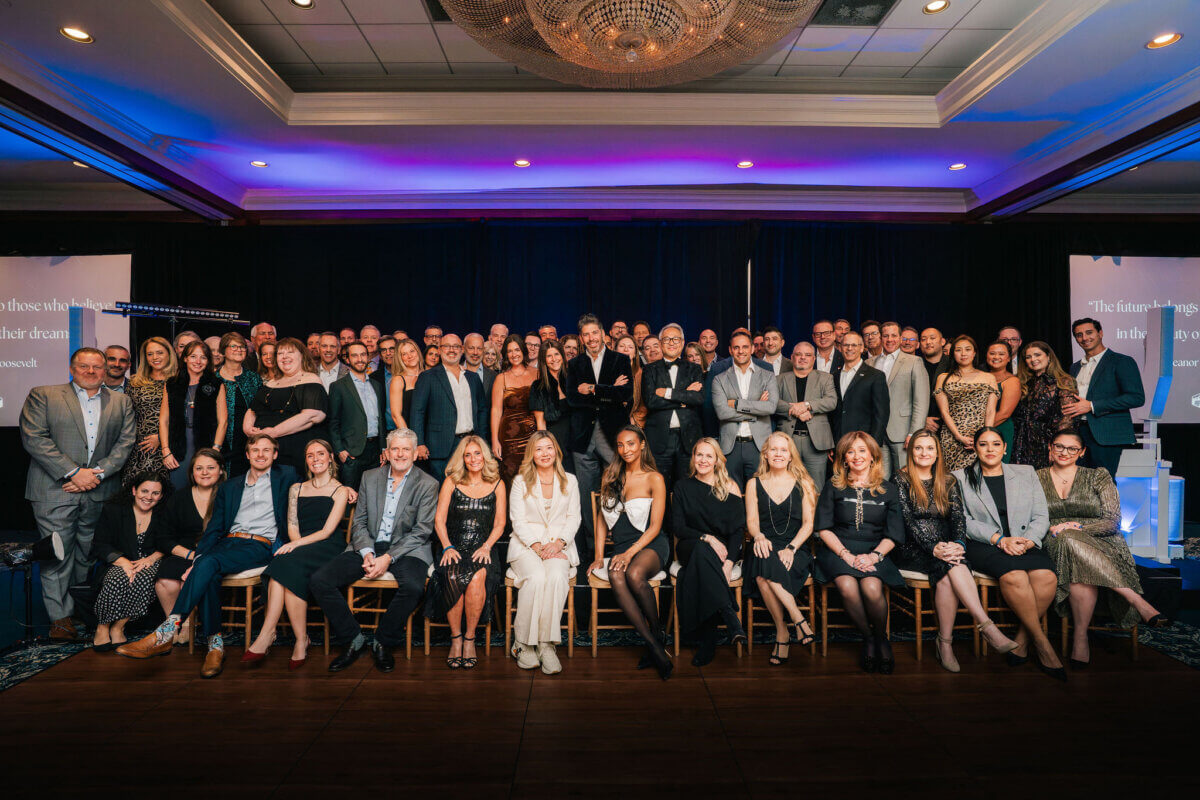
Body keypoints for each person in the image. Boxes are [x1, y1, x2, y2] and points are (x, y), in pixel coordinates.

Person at [117, 434, 299, 678]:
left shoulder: (286, 475)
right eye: (255, 450)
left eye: (267, 450)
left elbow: (314, 485)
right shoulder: (230, 486)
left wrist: (343, 489)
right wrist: (199, 558)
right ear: (247, 455)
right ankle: (215, 646)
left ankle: (166, 631)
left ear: (275, 455)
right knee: (208, 570)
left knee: (209, 563)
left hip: (260, 544)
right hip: (228, 542)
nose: (261, 455)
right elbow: (215, 528)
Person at [20, 347, 136, 640]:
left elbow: (125, 443)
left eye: (97, 367)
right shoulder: (44, 395)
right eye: (84, 366)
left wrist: (95, 475)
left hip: (99, 489)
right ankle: (60, 619)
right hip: (55, 489)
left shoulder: (121, 401)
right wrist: (74, 473)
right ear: (72, 369)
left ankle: (78, 610)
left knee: (87, 553)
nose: (91, 371)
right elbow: (34, 438)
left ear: (105, 370)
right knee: (57, 553)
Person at [310, 428, 440, 673]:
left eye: (406, 449)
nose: (400, 454)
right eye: (395, 449)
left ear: (414, 454)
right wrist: (367, 552)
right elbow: (359, 522)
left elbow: (422, 531)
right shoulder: (369, 477)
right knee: (320, 581)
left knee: (413, 587)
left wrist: (388, 557)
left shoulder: (428, 484)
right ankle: (353, 639)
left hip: (408, 549)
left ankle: (383, 641)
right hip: (369, 543)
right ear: (387, 453)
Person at [1037, 430, 1167, 667]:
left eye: (1072, 448)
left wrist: (1078, 527)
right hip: (1054, 538)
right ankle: (1135, 599)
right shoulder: (1035, 478)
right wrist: (1054, 528)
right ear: (1050, 448)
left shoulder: (1097, 476)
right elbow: (1029, 517)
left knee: (1075, 555)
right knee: (1067, 540)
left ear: (1082, 452)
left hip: (1102, 539)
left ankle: (1080, 637)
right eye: (1059, 446)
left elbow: (1112, 521)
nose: (1065, 452)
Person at [892, 431, 1018, 672]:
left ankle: (945, 642)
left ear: (937, 453)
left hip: (946, 546)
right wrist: (932, 547)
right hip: (912, 547)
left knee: (952, 568)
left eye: (930, 448)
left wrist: (959, 543)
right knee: (952, 565)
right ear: (911, 451)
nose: (924, 453)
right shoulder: (900, 479)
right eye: (919, 448)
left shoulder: (948, 479)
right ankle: (986, 626)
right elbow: (906, 521)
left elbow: (958, 518)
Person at [954, 427, 1065, 681]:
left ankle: (1023, 640)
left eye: (996, 444)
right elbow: (963, 521)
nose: (990, 449)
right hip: (985, 544)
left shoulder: (1025, 473)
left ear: (1005, 448)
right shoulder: (960, 478)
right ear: (975, 448)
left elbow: (1041, 515)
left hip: (1024, 541)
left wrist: (1029, 541)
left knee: (1046, 576)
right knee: (1015, 575)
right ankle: (1043, 644)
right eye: (983, 444)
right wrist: (1000, 540)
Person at [243, 439, 350, 669]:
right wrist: (296, 543)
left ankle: (268, 634)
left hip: (328, 546)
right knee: (288, 568)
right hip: (300, 544)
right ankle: (299, 639)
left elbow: (327, 531)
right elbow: (292, 525)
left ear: (330, 457)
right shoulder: (297, 488)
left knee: (284, 564)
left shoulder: (340, 490)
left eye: (320, 454)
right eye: (310, 455)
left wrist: (297, 545)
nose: (315, 459)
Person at [814, 432, 905, 674]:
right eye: (851, 452)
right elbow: (823, 529)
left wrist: (873, 557)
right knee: (846, 585)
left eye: (862, 450)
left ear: (873, 456)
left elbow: (894, 534)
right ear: (844, 459)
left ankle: (882, 638)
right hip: (837, 549)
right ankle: (869, 638)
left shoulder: (889, 490)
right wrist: (846, 556)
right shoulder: (833, 486)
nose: (857, 456)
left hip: (875, 550)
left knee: (872, 587)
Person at [588, 426, 672, 680]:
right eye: (621, 445)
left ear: (642, 444)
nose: (625, 450)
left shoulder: (654, 478)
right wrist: (599, 556)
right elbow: (601, 519)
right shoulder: (610, 475)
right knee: (615, 574)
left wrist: (629, 554)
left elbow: (656, 526)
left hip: (651, 544)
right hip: (622, 546)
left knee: (634, 574)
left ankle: (655, 634)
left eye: (631, 444)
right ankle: (655, 644)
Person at [426, 436, 506, 670]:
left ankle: (470, 639)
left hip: (484, 547)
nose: (473, 459)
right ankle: (456, 639)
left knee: (477, 577)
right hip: (453, 547)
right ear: (462, 458)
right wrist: (447, 546)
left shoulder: (497, 483)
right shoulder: (451, 481)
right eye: (467, 455)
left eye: (477, 453)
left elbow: (500, 524)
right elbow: (439, 520)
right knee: (452, 575)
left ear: (485, 456)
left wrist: (487, 546)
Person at [508, 431, 581, 674]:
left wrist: (559, 543)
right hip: (526, 545)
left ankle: (546, 644)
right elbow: (518, 520)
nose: (544, 453)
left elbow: (574, 517)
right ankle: (522, 644)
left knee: (558, 576)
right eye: (538, 449)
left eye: (548, 447)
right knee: (537, 577)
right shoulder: (520, 481)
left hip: (559, 546)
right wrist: (538, 546)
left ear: (556, 451)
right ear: (532, 454)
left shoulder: (570, 481)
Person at [565, 314, 634, 570]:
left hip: (612, 436)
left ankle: (622, 549)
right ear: (581, 338)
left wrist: (593, 389)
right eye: (586, 334)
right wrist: (609, 390)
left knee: (620, 490)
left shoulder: (620, 359)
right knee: (587, 497)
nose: (591, 338)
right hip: (583, 438)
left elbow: (625, 393)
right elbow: (572, 399)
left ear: (603, 334)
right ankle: (592, 552)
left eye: (595, 333)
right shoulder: (575, 364)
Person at [671, 438, 747, 666]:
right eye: (699, 455)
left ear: (716, 461)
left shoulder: (730, 487)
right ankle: (730, 616)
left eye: (708, 456)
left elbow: (737, 531)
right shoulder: (682, 487)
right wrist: (708, 537)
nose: (703, 460)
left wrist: (729, 562)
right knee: (702, 550)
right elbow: (678, 527)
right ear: (693, 458)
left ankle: (708, 640)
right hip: (691, 544)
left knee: (705, 561)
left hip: (721, 553)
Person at [745, 432, 819, 666]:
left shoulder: (804, 483)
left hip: (795, 548)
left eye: (783, 450)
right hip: (764, 544)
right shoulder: (753, 483)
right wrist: (758, 536)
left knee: (762, 575)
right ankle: (797, 620)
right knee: (763, 556)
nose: (778, 454)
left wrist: (791, 548)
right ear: (765, 454)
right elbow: (752, 522)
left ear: (790, 456)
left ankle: (782, 633)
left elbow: (808, 524)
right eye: (773, 449)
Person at [154, 448, 224, 647]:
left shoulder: (228, 495)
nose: (204, 472)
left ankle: (187, 626)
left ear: (220, 470)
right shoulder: (179, 497)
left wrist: (202, 557)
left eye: (210, 468)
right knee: (166, 579)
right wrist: (190, 554)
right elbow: (164, 537)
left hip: (216, 553)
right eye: (199, 468)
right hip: (184, 552)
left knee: (191, 578)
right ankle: (175, 626)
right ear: (192, 472)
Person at [90, 474, 165, 651]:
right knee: (117, 579)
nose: (149, 497)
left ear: (161, 496)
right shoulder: (114, 510)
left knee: (144, 578)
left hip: (150, 561)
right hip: (119, 559)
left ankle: (119, 627)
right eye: (144, 491)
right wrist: (123, 562)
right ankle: (103, 627)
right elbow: (99, 544)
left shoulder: (165, 514)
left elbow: (171, 542)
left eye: (155, 493)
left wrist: (151, 559)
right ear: (134, 490)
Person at [1066, 318, 1145, 477]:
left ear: (1100, 333)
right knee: (1078, 484)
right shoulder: (1074, 367)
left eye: (1089, 332)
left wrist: (1092, 406)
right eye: (1079, 335)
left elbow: (1136, 397)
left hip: (1106, 434)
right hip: (1077, 433)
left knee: (1103, 484)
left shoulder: (1121, 361)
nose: (1084, 338)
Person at [245, 338, 329, 473]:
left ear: (302, 356)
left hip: (294, 450)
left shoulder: (311, 380)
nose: (284, 357)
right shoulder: (271, 383)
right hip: (264, 450)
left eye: (290, 352)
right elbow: (253, 409)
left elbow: (312, 415)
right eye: (280, 353)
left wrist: (273, 432)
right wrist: (248, 429)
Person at [411, 334, 488, 478]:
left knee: (467, 486)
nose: (452, 350)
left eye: (456, 346)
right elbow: (417, 411)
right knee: (442, 488)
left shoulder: (473, 378)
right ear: (440, 350)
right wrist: (419, 443)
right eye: (447, 346)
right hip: (440, 447)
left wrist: (481, 440)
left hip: (470, 444)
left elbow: (482, 410)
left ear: (462, 350)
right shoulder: (428, 376)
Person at [642, 323, 704, 490]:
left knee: (688, 489)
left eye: (675, 339)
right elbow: (651, 401)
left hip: (688, 438)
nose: (671, 343)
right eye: (667, 339)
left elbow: (698, 398)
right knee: (660, 489)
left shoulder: (694, 369)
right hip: (660, 438)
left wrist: (668, 393)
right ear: (660, 343)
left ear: (682, 343)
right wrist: (685, 396)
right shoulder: (649, 370)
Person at [713, 330, 777, 489]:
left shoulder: (768, 375)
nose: (740, 351)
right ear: (730, 350)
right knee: (730, 493)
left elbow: (770, 407)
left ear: (752, 349)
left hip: (758, 445)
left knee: (759, 493)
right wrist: (756, 409)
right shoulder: (719, 379)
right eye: (736, 347)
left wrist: (737, 404)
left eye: (745, 347)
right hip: (730, 446)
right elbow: (722, 412)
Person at [161, 340, 227, 491]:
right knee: (178, 491)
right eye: (193, 356)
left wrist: (215, 450)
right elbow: (164, 420)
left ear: (208, 361)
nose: (198, 361)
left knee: (206, 491)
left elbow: (223, 421)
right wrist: (165, 451)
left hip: (206, 444)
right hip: (178, 445)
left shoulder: (216, 384)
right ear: (185, 358)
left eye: (203, 357)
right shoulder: (172, 384)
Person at [868, 321, 929, 477]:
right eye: (885, 336)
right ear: (880, 338)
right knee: (879, 480)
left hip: (902, 433)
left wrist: (914, 433)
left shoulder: (914, 362)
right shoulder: (869, 363)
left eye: (894, 335)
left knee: (905, 479)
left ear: (901, 338)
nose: (890, 339)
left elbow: (921, 401)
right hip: (876, 433)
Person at [775, 342, 836, 490]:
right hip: (788, 441)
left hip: (816, 443)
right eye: (798, 354)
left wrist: (807, 405)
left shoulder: (825, 378)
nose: (803, 358)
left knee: (816, 488)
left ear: (813, 359)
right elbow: (772, 403)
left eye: (807, 355)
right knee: (787, 486)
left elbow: (831, 401)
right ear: (792, 358)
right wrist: (794, 409)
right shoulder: (779, 379)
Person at [933, 335, 998, 471]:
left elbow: (991, 411)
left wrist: (984, 437)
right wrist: (959, 436)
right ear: (953, 354)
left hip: (979, 436)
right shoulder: (943, 378)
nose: (963, 353)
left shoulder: (989, 378)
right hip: (952, 436)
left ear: (974, 353)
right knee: (953, 477)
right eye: (958, 350)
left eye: (968, 349)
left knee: (978, 475)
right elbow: (944, 412)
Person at [328, 341, 387, 490]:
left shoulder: (377, 385)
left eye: (363, 355)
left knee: (374, 494)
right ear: (347, 359)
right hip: (352, 452)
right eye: (354, 355)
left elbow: (381, 420)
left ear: (368, 357)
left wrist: (383, 448)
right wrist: (340, 450)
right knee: (350, 496)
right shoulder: (338, 387)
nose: (359, 359)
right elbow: (333, 421)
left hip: (375, 451)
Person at [121, 336, 176, 488]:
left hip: (169, 447)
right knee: (136, 490)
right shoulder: (135, 382)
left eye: (160, 353)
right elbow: (127, 416)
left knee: (164, 491)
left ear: (169, 354)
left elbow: (185, 416)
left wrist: (162, 438)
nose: (155, 357)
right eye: (150, 354)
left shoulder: (178, 380)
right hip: (140, 447)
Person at [1012, 341, 1076, 469]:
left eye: (1037, 355)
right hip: (1021, 442)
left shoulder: (1063, 381)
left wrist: (1058, 447)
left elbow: (1067, 418)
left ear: (1048, 356)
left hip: (1048, 442)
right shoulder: (1022, 382)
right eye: (1028, 357)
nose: (1033, 359)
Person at [491, 334, 538, 485]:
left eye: (517, 350)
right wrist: (495, 441)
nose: (514, 354)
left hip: (533, 433)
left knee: (533, 476)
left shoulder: (537, 373)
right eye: (510, 351)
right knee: (511, 476)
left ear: (523, 350)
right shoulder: (501, 378)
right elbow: (496, 410)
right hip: (509, 437)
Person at [831, 332, 889, 448]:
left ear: (862, 348)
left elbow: (881, 414)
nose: (849, 348)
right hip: (838, 441)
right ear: (840, 348)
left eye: (854, 345)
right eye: (846, 345)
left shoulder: (875, 376)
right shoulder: (834, 376)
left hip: (864, 442)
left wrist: (873, 444)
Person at [217, 332, 262, 476]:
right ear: (223, 350)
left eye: (242, 346)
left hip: (247, 441)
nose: (239, 350)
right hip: (220, 441)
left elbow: (261, 409)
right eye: (234, 346)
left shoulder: (253, 378)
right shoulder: (213, 379)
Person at [529, 339, 572, 465]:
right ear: (544, 360)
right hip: (556, 442)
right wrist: (547, 449)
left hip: (575, 442)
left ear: (562, 356)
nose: (554, 359)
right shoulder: (538, 387)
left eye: (556, 354)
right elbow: (541, 425)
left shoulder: (572, 380)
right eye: (549, 356)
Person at [985, 341, 1021, 460]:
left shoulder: (1012, 381)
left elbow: (1004, 414)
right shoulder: (980, 377)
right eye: (992, 353)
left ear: (1009, 358)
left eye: (1001, 354)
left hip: (999, 429)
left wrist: (980, 431)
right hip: (978, 429)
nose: (996, 357)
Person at [389, 337, 425, 432]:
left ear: (417, 352)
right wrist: (409, 437)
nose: (410, 356)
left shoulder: (429, 375)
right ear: (400, 358)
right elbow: (396, 415)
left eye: (412, 351)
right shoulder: (398, 380)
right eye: (404, 354)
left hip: (433, 433)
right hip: (410, 432)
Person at [920, 327, 952, 431]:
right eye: (923, 339)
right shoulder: (914, 364)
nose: (928, 342)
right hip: (919, 425)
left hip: (949, 426)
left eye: (932, 338)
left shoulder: (953, 365)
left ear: (942, 342)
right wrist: (922, 420)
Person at [614, 334, 647, 428]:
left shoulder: (641, 375)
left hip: (632, 424)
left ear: (635, 353)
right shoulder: (606, 373)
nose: (626, 349)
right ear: (615, 351)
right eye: (622, 346)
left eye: (630, 347)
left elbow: (645, 405)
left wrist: (634, 419)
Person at [462, 332, 498, 408]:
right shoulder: (454, 371)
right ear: (463, 349)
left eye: (479, 348)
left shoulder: (494, 376)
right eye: (471, 348)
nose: (475, 352)